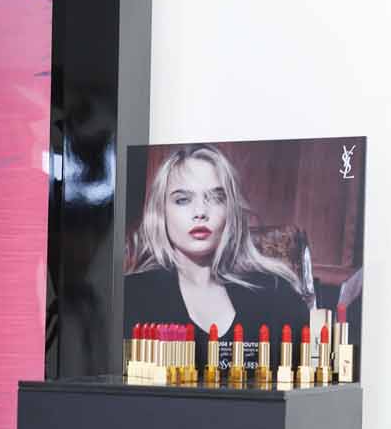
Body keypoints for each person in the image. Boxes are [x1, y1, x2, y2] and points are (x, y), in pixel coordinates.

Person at [124, 144, 309, 369]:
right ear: (160, 211)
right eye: (183, 199)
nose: (200, 212)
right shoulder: (130, 297)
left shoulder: (278, 294)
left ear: (231, 209)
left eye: (215, 198)